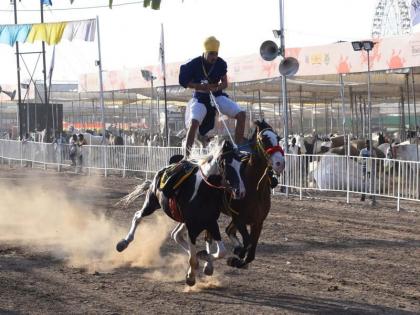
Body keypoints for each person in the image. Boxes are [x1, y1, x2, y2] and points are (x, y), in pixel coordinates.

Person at [179, 36, 246, 157]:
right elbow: (184, 81)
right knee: (194, 123)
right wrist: (200, 86)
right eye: (211, 54)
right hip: (200, 98)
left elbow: (225, 83)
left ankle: (238, 149)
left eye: (216, 54)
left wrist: (215, 88)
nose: (214, 57)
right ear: (205, 52)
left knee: (241, 114)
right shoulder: (194, 64)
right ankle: (186, 157)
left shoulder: (220, 63)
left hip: (217, 96)